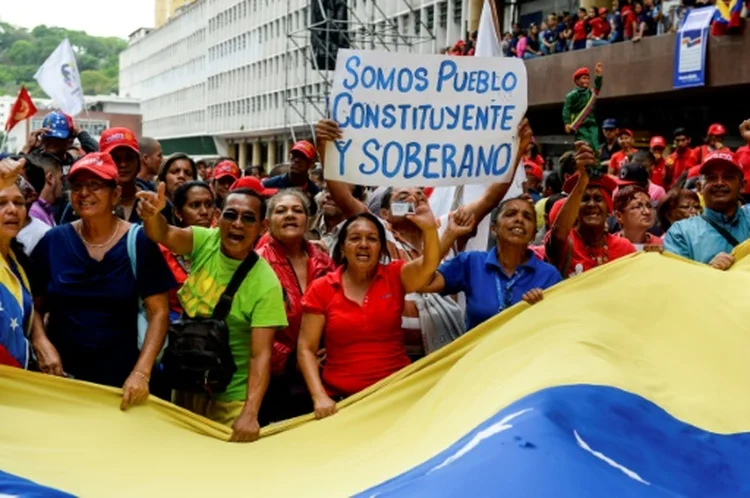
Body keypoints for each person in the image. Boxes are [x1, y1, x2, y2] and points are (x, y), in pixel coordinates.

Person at [316, 118, 532, 358]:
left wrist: (517, 151)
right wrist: (325, 149)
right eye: (403, 195)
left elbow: (490, 199)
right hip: (392, 357)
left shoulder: (446, 227)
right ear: (385, 212)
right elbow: (343, 197)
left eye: (419, 194)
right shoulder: (379, 234)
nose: (413, 198)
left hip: (442, 354)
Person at [136, 183, 287, 442]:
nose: (237, 223)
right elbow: (163, 233)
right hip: (186, 384)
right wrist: (153, 214)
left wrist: (249, 413)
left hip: (229, 400)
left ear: (262, 228)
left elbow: (260, 355)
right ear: (218, 217)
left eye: (248, 218)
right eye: (231, 215)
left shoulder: (267, 283)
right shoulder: (205, 241)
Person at [30, 152, 175, 409]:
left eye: (95, 185)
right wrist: (41, 343)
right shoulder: (54, 241)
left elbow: (159, 312)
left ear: (116, 194)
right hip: (61, 381)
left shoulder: (138, 242)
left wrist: (141, 373)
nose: (84, 193)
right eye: (77, 186)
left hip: (121, 385)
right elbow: (34, 305)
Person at [297, 207, 440, 420]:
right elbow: (306, 348)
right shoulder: (322, 288)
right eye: (355, 238)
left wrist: (429, 230)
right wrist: (319, 397)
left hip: (397, 394)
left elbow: (428, 265)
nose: (363, 244)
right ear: (343, 248)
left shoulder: (395, 275)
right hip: (341, 402)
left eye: (372, 239)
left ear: (382, 249)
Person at [420, 198, 562, 331]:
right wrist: (450, 235)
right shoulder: (471, 262)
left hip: (528, 356)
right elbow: (424, 282)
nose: (519, 219)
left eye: (527, 217)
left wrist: (541, 311)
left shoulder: (549, 275)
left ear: (533, 235)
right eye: (511, 214)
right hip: (477, 356)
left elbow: (560, 324)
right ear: (494, 229)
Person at [255, 190, 335, 423]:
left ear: (308, 220)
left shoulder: (323, 261)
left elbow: (338, 309)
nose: (290, 215)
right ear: (268, 223)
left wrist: (332, 348)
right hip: (276, 380)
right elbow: (252, 327)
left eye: (297, 210)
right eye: (281, 211)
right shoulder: (257, 263)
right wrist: (292, 361)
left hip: (325, 370)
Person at [546, 144, 637, 278]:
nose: (591, 204)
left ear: (609, 209)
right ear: (575, 209)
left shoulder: (625, 247)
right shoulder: (567, 242)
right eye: (585, 199)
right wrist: (582, 180)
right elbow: (558, 234)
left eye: (598, 199)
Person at [664, 151, 750, 268]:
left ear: (742, 186)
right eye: (711, 178)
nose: (719, 183)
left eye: (728, 177)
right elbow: (675, 278)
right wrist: (708, 270)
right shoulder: (680, 233)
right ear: (699, 187)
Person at [161, 181, 216, 319]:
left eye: (208, 205)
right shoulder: (163, 250)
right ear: (178, 212)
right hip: (175, 327)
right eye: (195, 205)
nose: (204, 212)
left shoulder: (225, 244)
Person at [0, 158, 34, 368]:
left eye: (19, 202)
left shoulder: (18, 261)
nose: (12, 209)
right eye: (1, 203)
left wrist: (39, 338)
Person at [563, 64, 604, 163]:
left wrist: (598, 76)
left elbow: (597, 87)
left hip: (592, 123)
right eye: (583, 78)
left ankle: (596, 164)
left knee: (595, 144)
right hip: (580, 125)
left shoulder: (591, 93)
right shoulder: (572, 95)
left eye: (587, 78)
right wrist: (567, 123)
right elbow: (566, 110)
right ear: (577, 81)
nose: (586, 81)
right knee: (584, 146)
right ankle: (586, 166)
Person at [613, 185, 662, 250]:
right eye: (637, 207)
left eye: (649, 206)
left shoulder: (660, 245)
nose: (647, 212)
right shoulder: (610, 245)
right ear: (619, 216)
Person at [24, 151, 63, 227]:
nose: (62, 185)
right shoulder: (33, 213)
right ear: (50, 178)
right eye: (61, 179)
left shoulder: (44, 210)